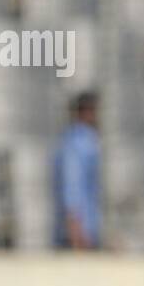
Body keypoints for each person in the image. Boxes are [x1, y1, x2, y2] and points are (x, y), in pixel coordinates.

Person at [53, 91, 101, 251]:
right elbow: (72, 186)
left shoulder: (90, 140)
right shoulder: (76, 143)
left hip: (89, 230)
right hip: (80, 233)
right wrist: (76, 229)